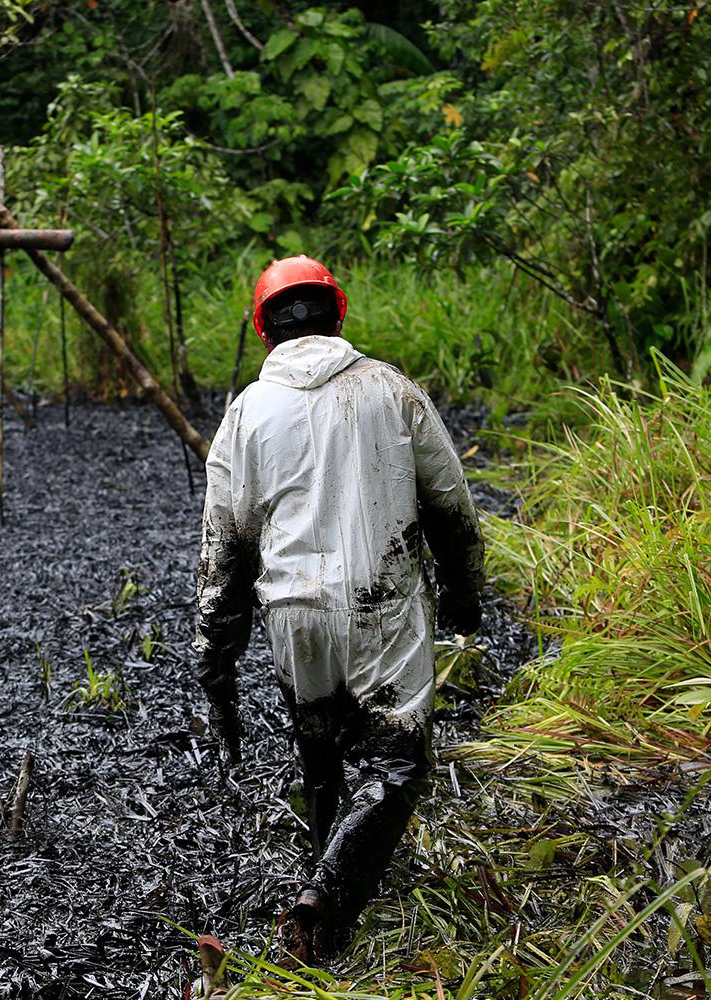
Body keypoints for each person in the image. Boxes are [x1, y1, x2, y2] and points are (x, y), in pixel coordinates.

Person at [192, 255, 486, 965]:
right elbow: (451, 504)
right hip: (380, 602)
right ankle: (324, 896)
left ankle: (321, 919)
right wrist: (464, 592)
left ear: (265, 327)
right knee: (397, 765)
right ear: (338, 311)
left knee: (320, 755)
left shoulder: (245, 415)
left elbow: (224, 550)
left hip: (290, 611)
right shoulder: (389, 388)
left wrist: (215, 659)